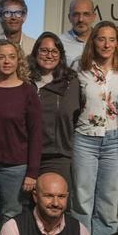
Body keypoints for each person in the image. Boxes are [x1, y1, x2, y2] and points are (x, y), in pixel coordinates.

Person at [72, 20, 118, 235]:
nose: (106, 44)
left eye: (111, 39)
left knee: (108, 201)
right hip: (85, 137)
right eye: (101, 39)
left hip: (116, 139)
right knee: (83, 199)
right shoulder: (79, 66)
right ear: (93, 41)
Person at [0, 39, 42, 235]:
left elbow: (36, 134)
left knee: (11, 215)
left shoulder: (28, 92)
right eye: (1, 57)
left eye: (11, 57)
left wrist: (32, 172)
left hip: (15, 166)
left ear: (19, 60)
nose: (6, 61)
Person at [29, 32, 80, 187]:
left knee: (55, 203)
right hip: (24, 155)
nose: (49, 55)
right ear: (36, 52)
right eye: (44, 50)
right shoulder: (23, 80)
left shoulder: (71, 82)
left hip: (57, 156)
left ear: (61, 55)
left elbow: (78, 116)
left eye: (54, 51)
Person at [59, 0, 96, 66]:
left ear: (93, 17)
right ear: (69, 17)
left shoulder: (105, 43)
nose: (80, 19)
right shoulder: (59, 43)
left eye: (86, 14)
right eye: (76, 14)